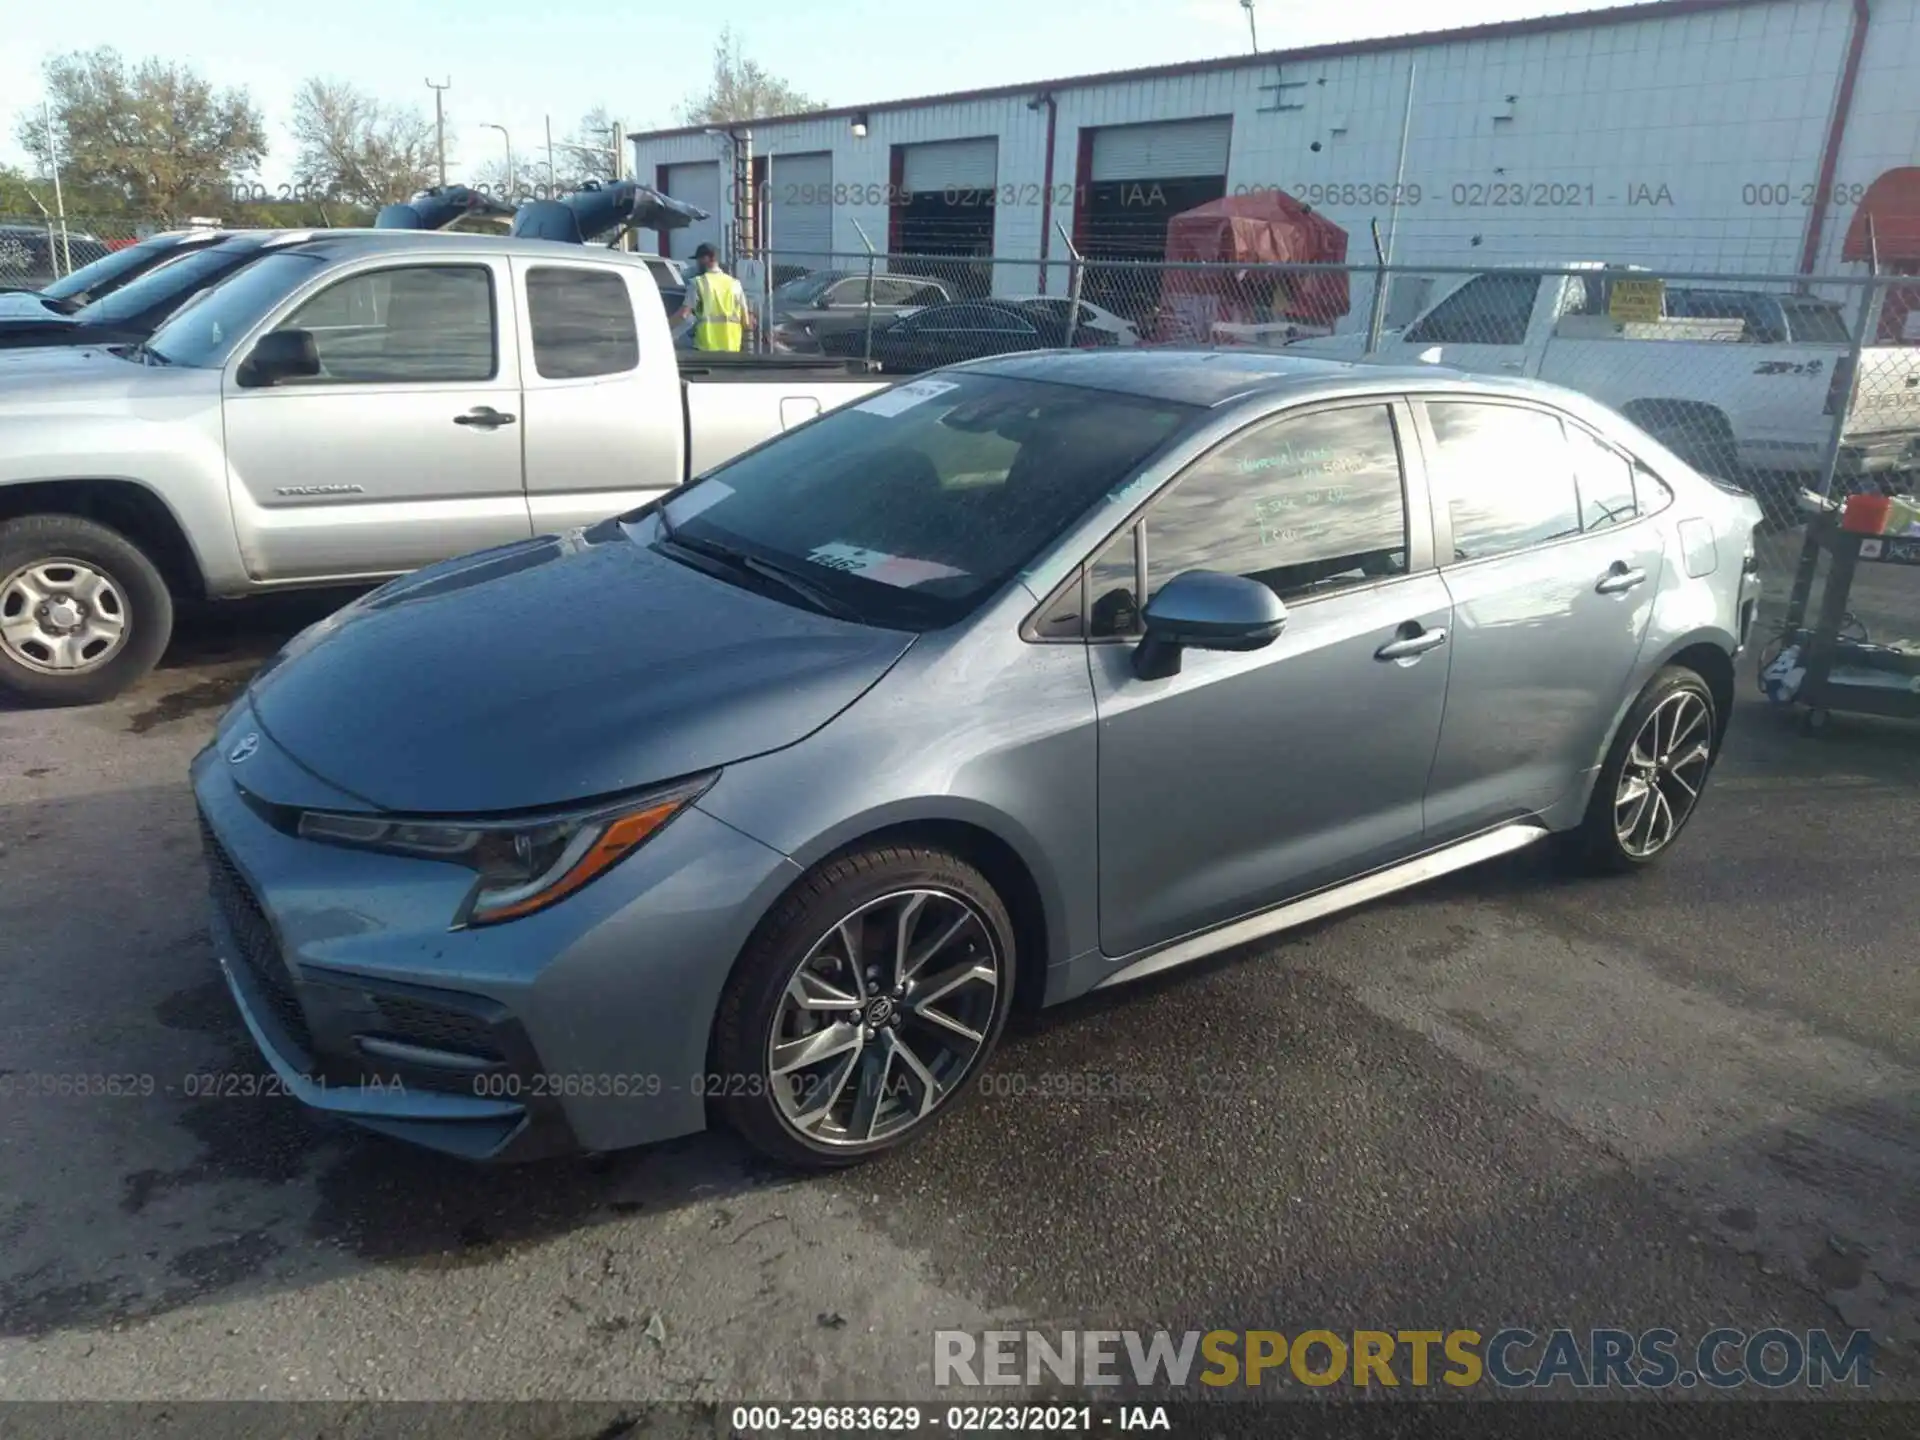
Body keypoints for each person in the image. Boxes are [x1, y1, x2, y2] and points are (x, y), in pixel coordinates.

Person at [675, 243, 752, 352]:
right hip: (732, 349)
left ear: (709, 258)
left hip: (706, 348)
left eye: (699, 259)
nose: (697, 263)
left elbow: (683, 315)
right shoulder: (735, 284)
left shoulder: (698, 283)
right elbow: (746, 322)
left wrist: (664, 326)